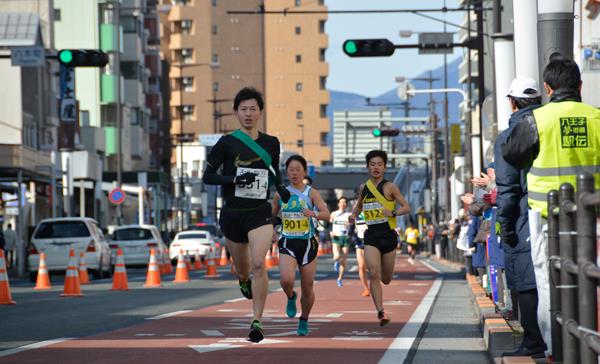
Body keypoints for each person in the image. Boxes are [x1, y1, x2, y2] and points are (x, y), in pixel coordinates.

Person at [202, 87, 291, 343]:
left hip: (259, 212)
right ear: (236, 113)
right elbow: (208, 176)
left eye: (253, 109)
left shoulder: (271, 142)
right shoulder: (226, 143)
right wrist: (235, 178)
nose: (248, 114)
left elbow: (275, 172)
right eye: (244, 109)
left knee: (260, 263)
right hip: (232, 213)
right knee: (243, 269)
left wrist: (281, 189)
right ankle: (242, 279)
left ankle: (257, 321)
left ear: (260, 112)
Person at [495, 77, 546, 358]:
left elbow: (508, 188)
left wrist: (505, 226)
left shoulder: (510, 135)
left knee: (526, 278)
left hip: (528, 214)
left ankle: (534, 342)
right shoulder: (552, 122)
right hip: (575, 210)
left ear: (512, 102)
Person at [349, 150, 410, 326]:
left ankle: (383, 285)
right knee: (373, 272)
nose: (376, 167)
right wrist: (353, 215)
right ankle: (381, 312)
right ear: (368, 167)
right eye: (372, 164)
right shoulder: (364, 187)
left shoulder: (390, 187)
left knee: (386, 279)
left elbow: (406, 207)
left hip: (388, 235)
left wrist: (392, 212)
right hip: (371, 235)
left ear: (384, 167)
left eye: (379, 164)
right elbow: (358, 206)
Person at [272, 155, 329, 336]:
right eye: (291, 169)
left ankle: (304, 318)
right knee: (286, 280)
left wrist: (313, 213)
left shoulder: (311, 193)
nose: (294, 173)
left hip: (308, 243)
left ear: (304, 171)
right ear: (286, 172)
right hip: (288, 241)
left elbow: (326, 214)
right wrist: (273, 229)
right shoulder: (279, 194)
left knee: (307, 286)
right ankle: (290, 296)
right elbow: (272, 216)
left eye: (298, 169)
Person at [330, 196, 350, 287]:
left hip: (345, 238)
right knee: (337, 256)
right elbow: (329, 224)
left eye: (344, 202)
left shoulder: (349, 215)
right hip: (336, 237)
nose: (343, 204)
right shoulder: (334, 214)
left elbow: (353, 225)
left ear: (346, 204)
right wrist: (331, 232)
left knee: (344, 261)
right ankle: (336, 261)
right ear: (338, 204)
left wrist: (350, 224)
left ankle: (339, 279)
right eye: (341, 202)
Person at [353, 211, 370, 297]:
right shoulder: (355, 213)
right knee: (361, 266)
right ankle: (366, 289)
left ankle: (375, 286)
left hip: (372, 241)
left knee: (372, 267)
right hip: (359, 242)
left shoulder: (373, 209)